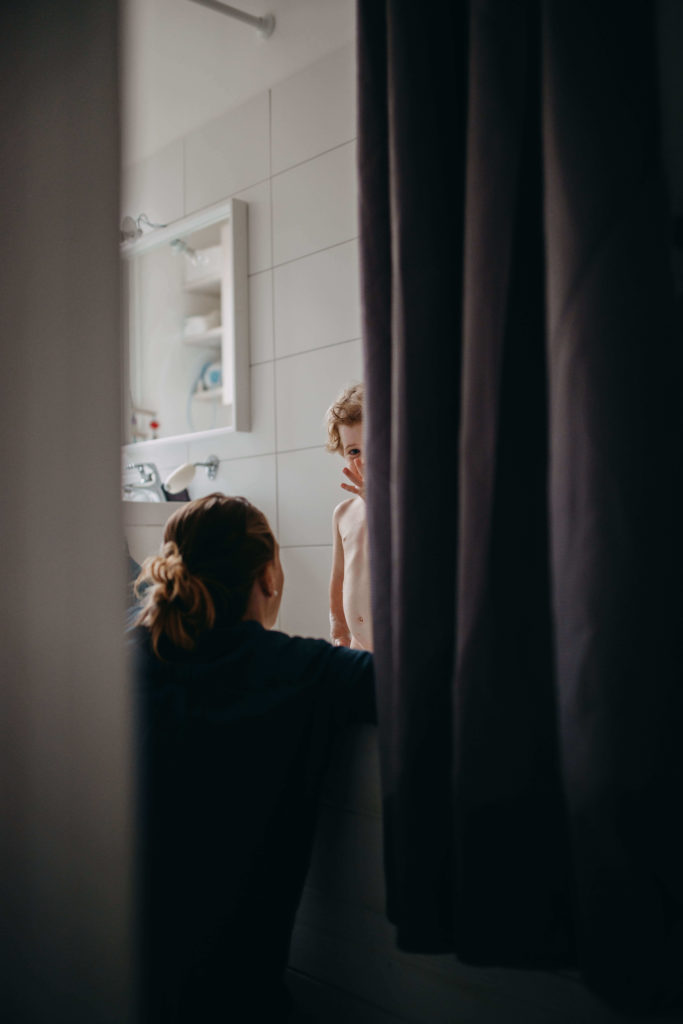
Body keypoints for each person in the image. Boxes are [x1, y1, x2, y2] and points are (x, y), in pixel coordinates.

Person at [130, 494, 375, 1023]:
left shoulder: (116, 661)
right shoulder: (303, 671)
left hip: (102, 979)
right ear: (268, 576)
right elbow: (426, 682)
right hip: (235, 996)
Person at [325, 383, 373, 650]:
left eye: (373, 447)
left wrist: (378, 502)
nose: (363, 461)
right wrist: (338, 625)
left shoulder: (405, 509)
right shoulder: (343, 514)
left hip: (397, 648)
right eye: (354, 451)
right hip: (357, 645)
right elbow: (339, 578)